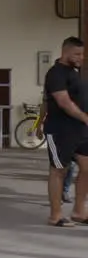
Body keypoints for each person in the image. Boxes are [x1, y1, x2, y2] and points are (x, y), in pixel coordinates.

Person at [42, 37, 88, 226]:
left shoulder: (74, 73)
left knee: (87, 168)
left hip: (80, 131)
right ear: (65, 52)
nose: (81, 57)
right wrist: (86, 118)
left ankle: (79, 211)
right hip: (59, 130)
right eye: (77, 54)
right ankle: (56, 215)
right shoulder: (56, 74)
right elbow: (63, 102)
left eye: (82, 54)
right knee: (59, 171)